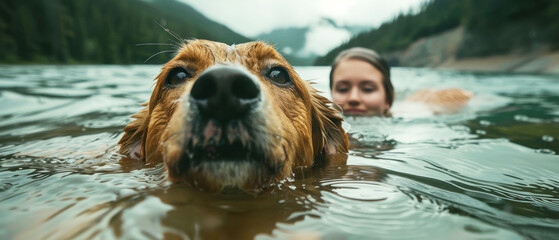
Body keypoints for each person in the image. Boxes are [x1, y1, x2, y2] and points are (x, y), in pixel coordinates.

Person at [330, 47, 472, 117]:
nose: (353, 98)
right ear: (331, 94)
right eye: (342, 89)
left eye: (367, 89)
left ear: (387, 100)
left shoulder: (418, 115)